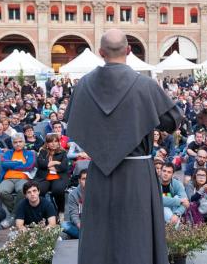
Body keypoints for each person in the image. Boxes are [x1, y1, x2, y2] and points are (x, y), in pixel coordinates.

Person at [65, 29, 182, 264]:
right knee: (137, 236)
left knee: (101, 235)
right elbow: (173, 120)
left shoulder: (83, 85)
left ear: (100, 53)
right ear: (128, 50)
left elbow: (73, 120)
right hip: (137, 174)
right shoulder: (145, 85)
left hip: (99, 172)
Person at [0, 133, 36, 229]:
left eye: (20, 142)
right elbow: (4, 164)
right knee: (1, 191)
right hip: (8, 178)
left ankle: (13, 216)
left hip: (23, 178)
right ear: (12, 144)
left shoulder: (30, 153)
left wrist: (12, 165)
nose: (18, 144)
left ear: (24, 142)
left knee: (22, 191)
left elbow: (29, 166)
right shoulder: (8, 153)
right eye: (15, 142)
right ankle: (18, 212)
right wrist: (20, 163)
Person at [34, 133, 68, 218]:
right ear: (47, 143)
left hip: (58, 177)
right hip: (44, 178)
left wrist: (50, 167)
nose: (53, 144)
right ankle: (47, 211)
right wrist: (55, 162)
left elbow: (64, 166)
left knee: (58, 190)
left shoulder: (63, 152)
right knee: (39, 190)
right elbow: (40, 163)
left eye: (55, 141)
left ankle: (61, 211)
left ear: (58, 142)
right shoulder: (43, 151)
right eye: (51, 142)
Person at [62, 169, 86, 239]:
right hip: (80, 225)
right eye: (84, 179)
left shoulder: (97, 192)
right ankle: (86, 237)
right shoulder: (73, 195)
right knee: (64, 225)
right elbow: (74, 215)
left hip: (94, 225)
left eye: (89, 179)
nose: (87, 181)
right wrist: (82, 227)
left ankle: (83, 237)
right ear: (79, 181)